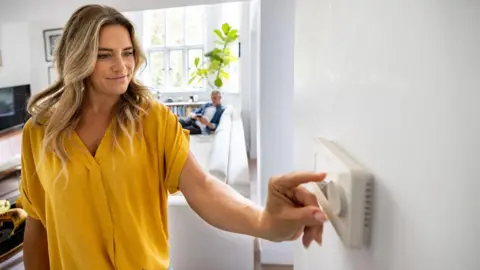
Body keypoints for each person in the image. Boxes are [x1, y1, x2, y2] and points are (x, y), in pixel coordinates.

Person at [20, 5, 326, 270]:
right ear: (77, 58)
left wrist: (264, 222)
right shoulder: (39, 133)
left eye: (127, 53)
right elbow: (38, 223)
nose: (121, 65)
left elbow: (203, 187)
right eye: (104, 55)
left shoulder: (153, 120)